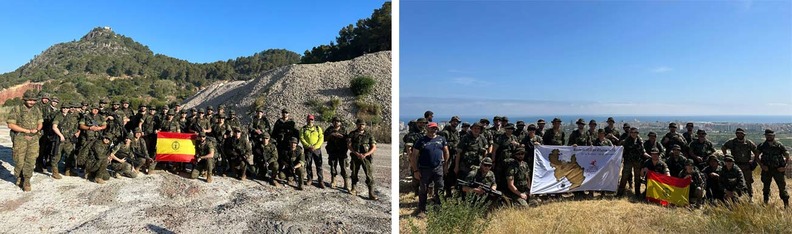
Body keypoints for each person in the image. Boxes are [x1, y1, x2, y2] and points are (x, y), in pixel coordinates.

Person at [6, 91, 43, 191]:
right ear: (25, 99)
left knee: (31, 160)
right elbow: (11, 124)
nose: (31, 102)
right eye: (29, 100)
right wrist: (26, 131)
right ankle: (19, 176)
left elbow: (40, 122)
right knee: (19, 160)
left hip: (34, 138)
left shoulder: (36, 109)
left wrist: (37, 129)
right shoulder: (17, 109)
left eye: (34, 100)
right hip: (20, 138)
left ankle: (27, 180)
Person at [410, 122, 450, 214]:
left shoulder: (441, 139)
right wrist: (415, 170)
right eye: (432, 128)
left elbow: (446, 152)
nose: (434, 130)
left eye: (435, 128)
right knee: (423, 189)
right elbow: (414, 156)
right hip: (424, 169)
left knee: (439, 189)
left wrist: (445, 165)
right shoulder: (421, 140)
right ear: (427, 128)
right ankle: (422, 209)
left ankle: (438, 208)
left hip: (438, 168)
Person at [755, 129, 789, 208]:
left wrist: (784, 167)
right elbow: (757, 157)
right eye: (767, 135)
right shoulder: (762, 145)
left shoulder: (779, 145)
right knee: (766, 187)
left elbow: (787, 156)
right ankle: (765, 203)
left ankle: (786, 205)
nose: (769, 137)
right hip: (767, 170)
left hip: (777, 170)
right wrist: (762, 166)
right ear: (765, 136)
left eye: (771, 135)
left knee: (782, 187)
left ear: (774, 136)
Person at [721, 128, 757, 200]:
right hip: (735, 165)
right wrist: (727, 157)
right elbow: (723, 147)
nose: (739, 134)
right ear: (736, 134)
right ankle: (735, 196)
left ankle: (750, 197)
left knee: (748, 182)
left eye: (741, 133)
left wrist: (753, 160)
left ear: (744, 134)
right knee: (734, 182)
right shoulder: (732, 142)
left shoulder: (748, 142)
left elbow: (756, 151)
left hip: (746, 166)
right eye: (738, 133)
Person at [348, 119, 378, 199]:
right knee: (354, 172)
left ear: (365, 125)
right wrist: (356, 153)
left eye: (363, 124)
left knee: (369, 175)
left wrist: (366, 154)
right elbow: (349, 145)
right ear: (357, 125)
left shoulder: (369, 135)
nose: (361, 126)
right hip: (355, 156)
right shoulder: (352, 134)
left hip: (366, 158)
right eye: (360, 124)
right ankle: (353, 188)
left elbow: (374, 147)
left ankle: (371, 193)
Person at [51, 102, 79, 179]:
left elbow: (75, 126)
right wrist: (60, 135)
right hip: (59, 139)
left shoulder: (70, 116)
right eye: (64, 108)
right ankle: (55, 172)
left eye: (66, 108)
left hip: (69, 139)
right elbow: (54, 127)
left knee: (70, 155)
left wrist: (76, 132)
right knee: (56, 155)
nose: (65, 109)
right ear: (61, 108)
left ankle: (68, 171)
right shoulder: (58, 116)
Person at [617, 127, 648, 197]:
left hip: (637, 161)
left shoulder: (640, 141)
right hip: (628, 161)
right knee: (624, 177)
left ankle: (637, 193)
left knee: (637, 178)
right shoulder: (626, 141)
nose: (633, 134)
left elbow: (643, 152)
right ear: (630, 133)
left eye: (635, 132)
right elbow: (621, 150)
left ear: (637, 133)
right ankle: (620, 193)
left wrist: (651, 157)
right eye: (632, 132)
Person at [438, 116, 461, 197]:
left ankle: (449, 192)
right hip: (446, 156)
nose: (455, 123)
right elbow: (442, 145)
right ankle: (444, 194)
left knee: (452, 175)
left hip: (454, 156)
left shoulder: (456, 132)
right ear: (451, 122)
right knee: (445, 174)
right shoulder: (445, 132)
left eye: (457, 122)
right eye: (454, 121)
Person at [300, 114, 325, 187]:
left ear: (313, 120)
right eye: (309, 119)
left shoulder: (318, 128)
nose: (310, 121)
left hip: (317, 149)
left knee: (319, 165)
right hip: (308, 149)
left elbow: (321, 138)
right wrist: (308, 146)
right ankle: (309, 179)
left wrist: (316, 146)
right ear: (307, 120)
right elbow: (302, 138)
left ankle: (320, 180)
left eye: (312, 119)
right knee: (308, 164)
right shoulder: (303, 129)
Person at [324, 117, 348, 189]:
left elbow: (347, 139)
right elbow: (324, 139)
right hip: (332, 151)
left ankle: (346, 183)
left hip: (342, 151)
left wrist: (341, 136)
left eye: (338, 121)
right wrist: (330, 135)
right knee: (332, 167)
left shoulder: (343, 130)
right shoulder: (329, 129)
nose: (336, 122)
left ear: (340, 122)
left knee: (343, 168)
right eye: (334, 121)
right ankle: (333, 181)